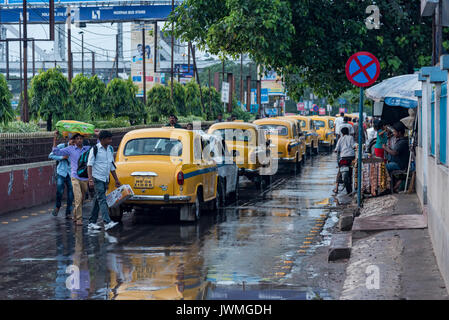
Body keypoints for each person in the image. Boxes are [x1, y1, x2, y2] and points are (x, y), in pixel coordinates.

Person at [52, 131, 98, 226]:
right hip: (74, 177)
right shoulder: (70, 149)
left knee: (81, 199)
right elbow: (56, 152)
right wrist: (55, 138)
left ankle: (75, 213)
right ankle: (79, 218)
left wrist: (97, 136)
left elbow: (98, 147)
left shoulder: (87, 149)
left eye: (81, 138)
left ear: (83, 140)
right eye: (77, 139)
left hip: (84, 178)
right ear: (74, 140)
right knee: (77, 197)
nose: (79, 140)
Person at [87, 130, 121, 231]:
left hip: (105, 178)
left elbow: (111, 166)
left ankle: (92, 222)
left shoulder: (109, 150)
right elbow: (89, 165)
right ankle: (107, 222)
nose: (110, 141)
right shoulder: (95, 149)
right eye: (108, 139)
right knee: (102, 199)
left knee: (97, 201)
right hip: (97, 178)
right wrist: (90, 180)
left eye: (111, 138)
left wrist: (116, 180)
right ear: (102, 139)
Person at [49, 136, 75, 218]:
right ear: (69, 140)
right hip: (61, 172)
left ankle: (68, 212)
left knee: (71, 192)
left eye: (74, 142)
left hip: (71, 173)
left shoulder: (76, 149)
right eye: (72, 141)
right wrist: (62, 157)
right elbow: (51, 155)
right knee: (60, 190)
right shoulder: (61, 146)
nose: (73, 143)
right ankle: (57, 206)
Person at [383, 122, 410, 191]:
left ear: (399, 132)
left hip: (400, 165)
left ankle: (388, 187)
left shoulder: (403, 142)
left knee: (384, 167)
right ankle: (390, 185)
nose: (394, 133)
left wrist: (386, 148)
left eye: (395, 132)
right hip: (396, 162)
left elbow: (395, 153)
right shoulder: (400, 141)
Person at [333, 127, 356, 193]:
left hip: (343, 158)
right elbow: (353, 145)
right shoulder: (351, 138)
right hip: (351, 157)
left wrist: (336, 150)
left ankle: (336, 189)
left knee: (339, 173)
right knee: (351, 172)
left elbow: (336, 149)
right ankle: (350, 187)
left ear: (342, 133)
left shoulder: (340, 139)